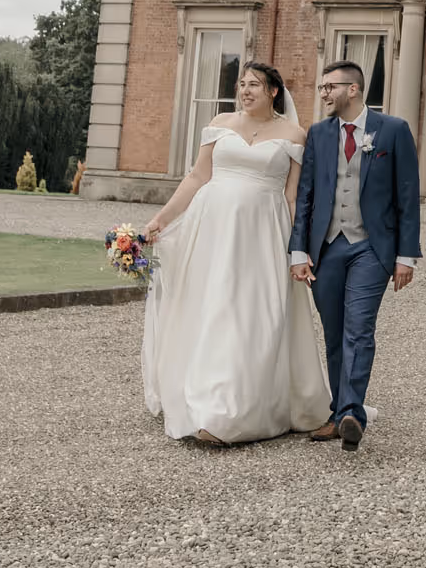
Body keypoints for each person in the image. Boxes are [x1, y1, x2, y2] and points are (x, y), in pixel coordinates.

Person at [139, 62, 331, 446]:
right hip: (212, 230)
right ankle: (210, 407)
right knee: (214, 308)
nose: (245, 91)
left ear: (273, 91)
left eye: (255, 85)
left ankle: (242, 409)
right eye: (242, 84)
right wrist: (159, 220)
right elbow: (197, 177)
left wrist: (300, 248)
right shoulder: (220, 123)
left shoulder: (293, 133)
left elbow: (293, 196)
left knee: (253, 314)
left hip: (263, 235)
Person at [290, 60, 423, 452]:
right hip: (326, 247)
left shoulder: (393, 131)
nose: (324, 94)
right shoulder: (318, 134)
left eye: (330, 87)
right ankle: (338, 413)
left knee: (359, 328)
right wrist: (299, 249)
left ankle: (352, 414)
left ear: (354, 89)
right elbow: (306, 197)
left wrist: (406, 256)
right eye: (322, 88)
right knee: (333, 331)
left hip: (371, 247)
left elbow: (408, 196)